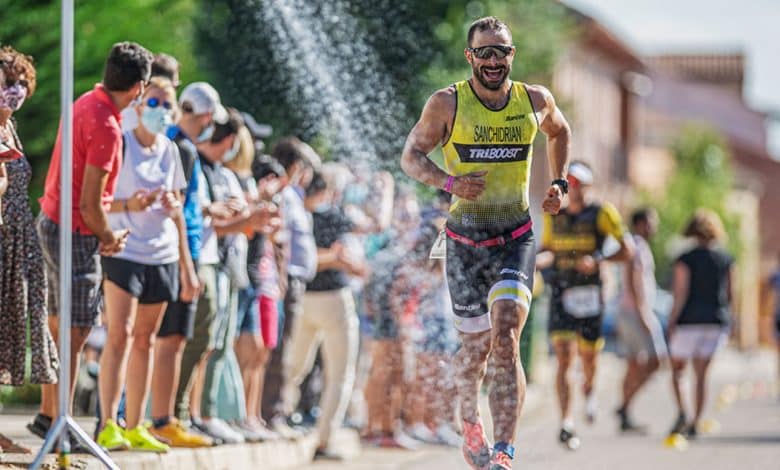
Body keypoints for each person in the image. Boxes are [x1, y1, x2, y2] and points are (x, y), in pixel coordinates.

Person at [400, 16, 571, 470]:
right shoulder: (447, 104)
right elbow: (410, 156)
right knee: (475, 348)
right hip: (463, 241)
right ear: (470, 57)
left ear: (513, 55)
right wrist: (448, 181)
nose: (495, 61)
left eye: (503, 51)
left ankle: (505, 450)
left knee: (508, 334)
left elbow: (561, 131)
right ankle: (470, 419)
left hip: (515, 236)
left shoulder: (534, 100)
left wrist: (560, 183)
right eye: (486, 52)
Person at [29, 42, 153, 448]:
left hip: (52, 219)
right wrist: (109, 237)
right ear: (138, 88)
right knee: (76, 330)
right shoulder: (108, 126)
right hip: (75, 230)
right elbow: (90, 203)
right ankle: (61, 424)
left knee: (57, 324)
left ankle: (50, 415)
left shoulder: (86, 100)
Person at [95, 77, 189, 452]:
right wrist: (128, 205)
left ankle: (136, 424)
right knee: (119, 334)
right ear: (137, 105)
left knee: (147, 340)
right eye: (153, 103)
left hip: (161, 253)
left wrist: (170, 206)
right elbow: (98, 199)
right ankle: (107, 423)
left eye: (167, 104)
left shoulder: (170, 149)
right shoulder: (121, 142)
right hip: (124, 251)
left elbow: (179, 204)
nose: (161, 111)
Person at [536, 160, 633, 450]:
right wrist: (531, 263)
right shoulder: (556, 215)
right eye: (570, 183)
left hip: (591, 293)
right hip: (562, 291)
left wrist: (599, 262)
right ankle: (566, 421)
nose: (573, 190)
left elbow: (627, 251)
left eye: (578, 184)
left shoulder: (602, 213)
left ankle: (589, 390)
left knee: (588, 357)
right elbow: (548, 251)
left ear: (588, 186)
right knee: (564, 357)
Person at [149, 82, 221, 448]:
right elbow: (177, 211)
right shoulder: (179, 147)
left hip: (185, 249)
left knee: (176, 339)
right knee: (168, 340)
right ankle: (161, 418)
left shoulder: (181, 145)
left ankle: (167, 418)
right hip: (181, 251)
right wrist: (186, 264)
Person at [281, 165, 365, 459]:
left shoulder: (298, 212)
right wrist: (340, 259)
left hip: (305, 297)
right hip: (334, 300)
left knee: (293, 367)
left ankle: (279, 415)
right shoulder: (334, 216)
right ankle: (324, 439)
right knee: (339, 375)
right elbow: (365, 228)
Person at [0, 45, 58, 455]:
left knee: (8, 331)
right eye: (8, 83)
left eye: (22, 83)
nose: (16, 90)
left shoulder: (11, 127)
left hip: (18, 241)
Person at [261, 137, 319, 436]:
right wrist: (282, 279)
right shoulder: (283, 195)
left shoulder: (294, 196)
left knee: (286, 348)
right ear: (296, 167)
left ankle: (277, 411)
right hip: (284, 281)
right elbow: (277, 239)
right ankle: (271, 413)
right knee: (279, 349)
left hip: (294, 280)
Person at [667, 209, 733, 439]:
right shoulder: (725, 259)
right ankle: (696, 420)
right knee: (702, 375)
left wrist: (672, 319)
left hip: (688, 321)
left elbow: (681, 292)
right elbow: (730, 294)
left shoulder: (685, 259)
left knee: (677, 370)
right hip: (715, 321)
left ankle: (683, 411)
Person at [616, 208, 667, 432]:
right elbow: (633, 278)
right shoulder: (636, 246)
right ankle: (624, 406)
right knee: (657, 360)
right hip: (636, 312)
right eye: (649, 222)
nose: (653, 226)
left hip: (630, 311)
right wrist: (643, 312)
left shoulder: (637, 246)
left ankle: (625, 411)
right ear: (639, 224)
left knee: (634, 364)